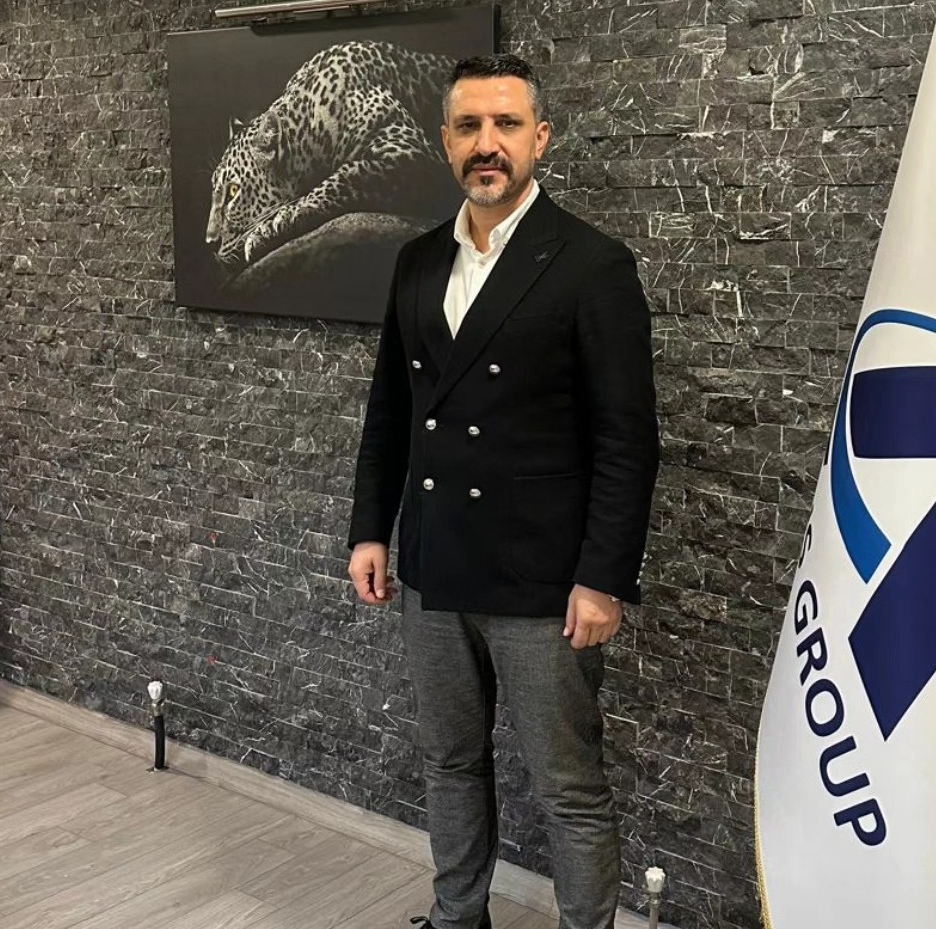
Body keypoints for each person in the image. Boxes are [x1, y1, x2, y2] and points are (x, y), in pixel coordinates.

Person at [346, 53, 660, 929]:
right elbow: (391, 409)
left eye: (507, 125)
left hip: (544, 579)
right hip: (434, 564)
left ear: (540, 138)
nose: (488, 144)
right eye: (470, 126)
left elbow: (628, 440)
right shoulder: (417, 261)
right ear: (446, 140)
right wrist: (371, 529)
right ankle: (457, 917)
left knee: (567, 783)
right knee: (449, 761)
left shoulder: (591, 264)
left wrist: (604, 577)